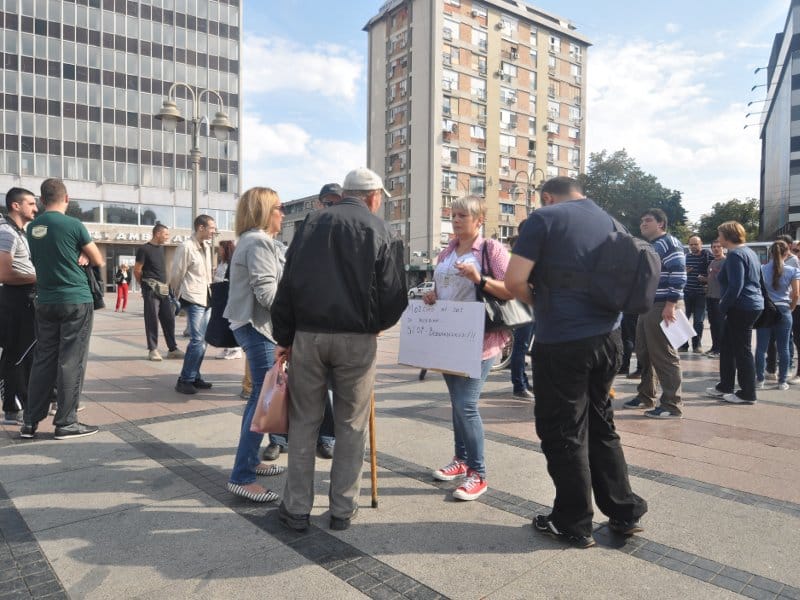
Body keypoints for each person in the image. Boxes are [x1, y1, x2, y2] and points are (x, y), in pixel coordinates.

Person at [504, 176, 647, 549]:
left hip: (564, 339)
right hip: (610, 339)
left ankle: (572, 522)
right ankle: (624, 511)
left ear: (547, 197)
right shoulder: (613, 221)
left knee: (562, 431)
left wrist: (539, 304)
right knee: (601, 424)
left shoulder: (545, 218)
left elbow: (514, 280)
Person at [271, 167, 407, 532]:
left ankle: (296, 508)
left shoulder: (311, 224)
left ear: (347, 192)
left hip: (308, 336)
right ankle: (343, 509)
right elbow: (396, 295)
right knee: (351, 424)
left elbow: (288, 286)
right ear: (374, 196)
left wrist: (283, 337)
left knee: (304, 423)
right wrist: (376, 324)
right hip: (357, 339)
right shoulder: (382, 230)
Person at [425, 195, 514, 501]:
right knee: (457, 403)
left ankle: (479, 474)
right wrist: (432, 295)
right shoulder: (447, 250)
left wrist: (480, 279)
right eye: (454, 214)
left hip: (482, 339)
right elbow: (441, 287)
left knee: (466, 405)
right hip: (449, 336)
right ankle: (461, 460)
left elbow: (511, 289)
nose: (457, 219)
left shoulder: (492, 250)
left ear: (479, 220)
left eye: (463, 215)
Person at [262, 182, 342, 462]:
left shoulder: (345, 234)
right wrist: (284, 334)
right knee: (283, 383)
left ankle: (327, 436)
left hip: (331, 325)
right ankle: (278, 438)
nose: (331, 208)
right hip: (300, 323)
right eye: (327, 203)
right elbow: (287, 286)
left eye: (336, 202)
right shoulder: (305, 233)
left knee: (323, 387)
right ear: (318, 204)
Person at [22, 179, 104, 440]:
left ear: (43, 200)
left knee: (43, 359)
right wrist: (83, 253)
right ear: (66, 199)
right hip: (74, 299)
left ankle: (30, 422)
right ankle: (66, 422)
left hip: (45, 300)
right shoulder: (73, 224)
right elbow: (98, 258)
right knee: (71, 359)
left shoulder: (33, 227)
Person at [224, 188, 288, 502]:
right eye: (279, 207)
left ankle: (250, 463)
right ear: (265, 211)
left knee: (260, 400)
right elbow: (268, 295)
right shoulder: (259, 243)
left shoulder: (253, 241)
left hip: (252, 326)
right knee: (262, 402)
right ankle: (242, 476)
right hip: (258, 328)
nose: (283, 213)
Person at [622, 209, 686, 419]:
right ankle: (645, 396)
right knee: (645, 353)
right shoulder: (653, 245)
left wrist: (671, 304)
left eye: (648, 220)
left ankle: (671, 404)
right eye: (642, 220)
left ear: (661, 224)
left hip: (663, 306)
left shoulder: (669, 243)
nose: (643, 223)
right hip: (649, 305)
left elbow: (678, 273)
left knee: (664, 355)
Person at [706, 221, 764, 404]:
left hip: (741, 307)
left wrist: (722, 308)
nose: (718, 238)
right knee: (728, 347)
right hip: (749, 305)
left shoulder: (736, 255)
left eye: (720, 234)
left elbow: (735, 286)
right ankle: (725, 385)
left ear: (728, 235)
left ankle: (748, 393)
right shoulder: (748, 252)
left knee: (742, 350)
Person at [0, 188, 38, 425]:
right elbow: (4, 273)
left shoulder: (19, 233)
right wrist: (40, 278)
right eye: (31, 203)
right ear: (16, 206)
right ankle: (12, 407)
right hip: (16, 299)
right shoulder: (7, 233)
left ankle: (20, 401)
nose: (35, 208)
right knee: (17, 353)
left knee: (24, 353)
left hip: (24, 297)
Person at [170, 214, 217, 395]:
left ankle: (195, 376)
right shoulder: (186, 247)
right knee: (197, 340)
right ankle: (185, 379)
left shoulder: (205, 246)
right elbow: (177, 273)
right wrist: (175, 296)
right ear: (201, 227)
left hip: (206, 298)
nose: (214, 231)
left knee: (203, 341)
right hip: (194, 298)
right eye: (212, 227)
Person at [134, 224, 184, 362]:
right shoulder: (144, 249)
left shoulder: (161, 248)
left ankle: (172, 349)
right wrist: (144, 286)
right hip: (151, 289)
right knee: (152, 319)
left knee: (169, 318)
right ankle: (153, 350)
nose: (168, 237)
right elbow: (137, 270)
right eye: (166, 234)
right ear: (157, 234)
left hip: (163, 289)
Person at [754, 241, 799, 390]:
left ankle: (760, 379)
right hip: (784, 309)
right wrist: (791, 308)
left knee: (761, 347)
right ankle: (782, 381)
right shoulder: (793, 270)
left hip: (766, 310)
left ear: (770, 253)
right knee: (784, 347)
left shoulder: (761, 269)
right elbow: (796, 294)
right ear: (787, 253)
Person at [507, 229, 534, 400]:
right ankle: (519, 385)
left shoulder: (521, 259)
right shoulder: (517, 261)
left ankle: (523, 381)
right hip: (523, 306)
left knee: (524, 346)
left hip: (529, 306)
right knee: (521, 347)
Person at [680, 236, 712, 352]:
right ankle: (683, 345)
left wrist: (706, 279)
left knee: (698, 321)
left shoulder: (708, 256)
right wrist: (685, 272)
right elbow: (679, 273)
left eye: (696, 244)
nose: (693, 246)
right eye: (691, 244)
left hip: (701, 294)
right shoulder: (685, 257)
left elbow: (716, 271)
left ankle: (697, 345)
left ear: (701, 244)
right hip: (687, 293)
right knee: (683, 320)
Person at [214, 240, 242, 360]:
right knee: (224, 323)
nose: (218, 251)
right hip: (222, 295)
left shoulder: (231, 263)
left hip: (229, 296)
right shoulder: (222, 262)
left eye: (220, 249)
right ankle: (227, 347)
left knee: (230, 322)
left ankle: (235, 349)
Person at [699, 240, 726, 358]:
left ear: (723, 248)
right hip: (710, 297)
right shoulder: (712, 263)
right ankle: (714, 347)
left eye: (718, 246)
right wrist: (704, 280)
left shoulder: (726, 262)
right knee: (713, 324)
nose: (716, 249)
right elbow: (712, 279)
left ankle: (720, 349)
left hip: (720, 298)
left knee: (720, 325)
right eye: (713, 247)